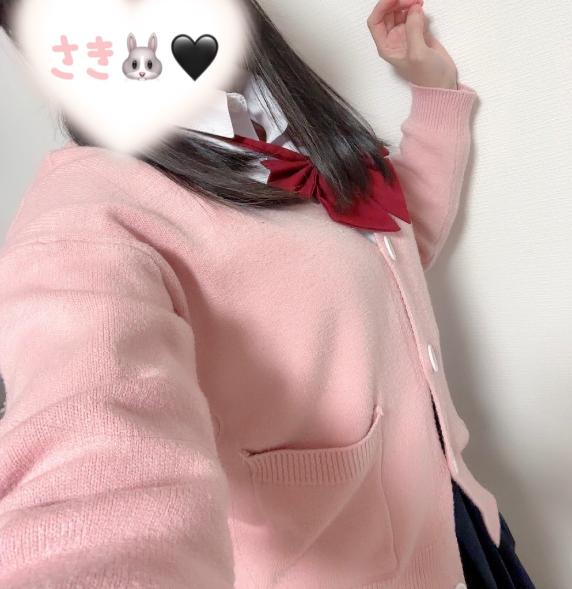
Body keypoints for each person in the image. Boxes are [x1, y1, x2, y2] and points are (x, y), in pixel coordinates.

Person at [0, 0, 538, 587]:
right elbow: (91, 456)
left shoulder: (278, 127)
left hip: (464, 522)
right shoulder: (84, 221)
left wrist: (433, 93)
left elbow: (394, 252)